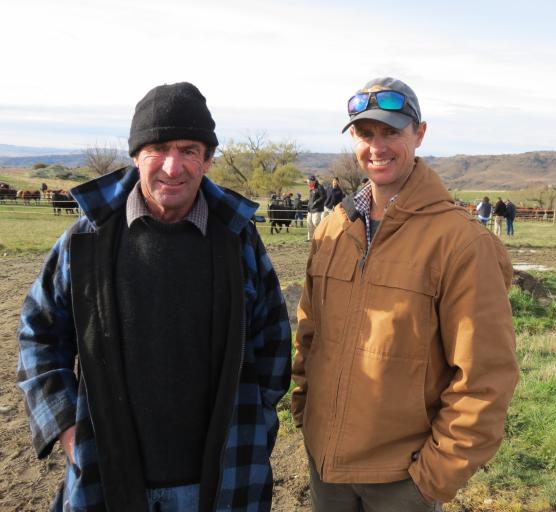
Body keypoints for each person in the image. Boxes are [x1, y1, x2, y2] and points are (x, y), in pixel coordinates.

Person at [16, 82, 292, 512]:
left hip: (219, 483)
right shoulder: (87, 240)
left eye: (189, 149)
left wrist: (256, 425)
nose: (172, 166)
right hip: (108, 477)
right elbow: (39, 333)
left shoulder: (237, 240)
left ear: (208, 158)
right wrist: (67, 428)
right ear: (135, 155)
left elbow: (272, 342)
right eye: (157, 148)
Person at [292, 77, 518, 511]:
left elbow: (485, 378)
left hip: (402, 483)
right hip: (326, 471)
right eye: (365, 133)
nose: (377, 147)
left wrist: (431, 480)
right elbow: (309, 335)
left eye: (391, 132)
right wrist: (306, 416)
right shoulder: (333, 229)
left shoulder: (460, 242)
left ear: (420, 134)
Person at [306, 174, 326, 241]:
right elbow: (311, 198)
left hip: (317, 209)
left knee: (316, 222)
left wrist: (316, 202)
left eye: (309, 182)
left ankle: (322, 235)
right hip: (310, 209)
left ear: (313, 181)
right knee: (309, 224)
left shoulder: (319, 187)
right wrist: (308, 205)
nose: (308, 183)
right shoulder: (311, 188)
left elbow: (323, 196)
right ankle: (310, 238)